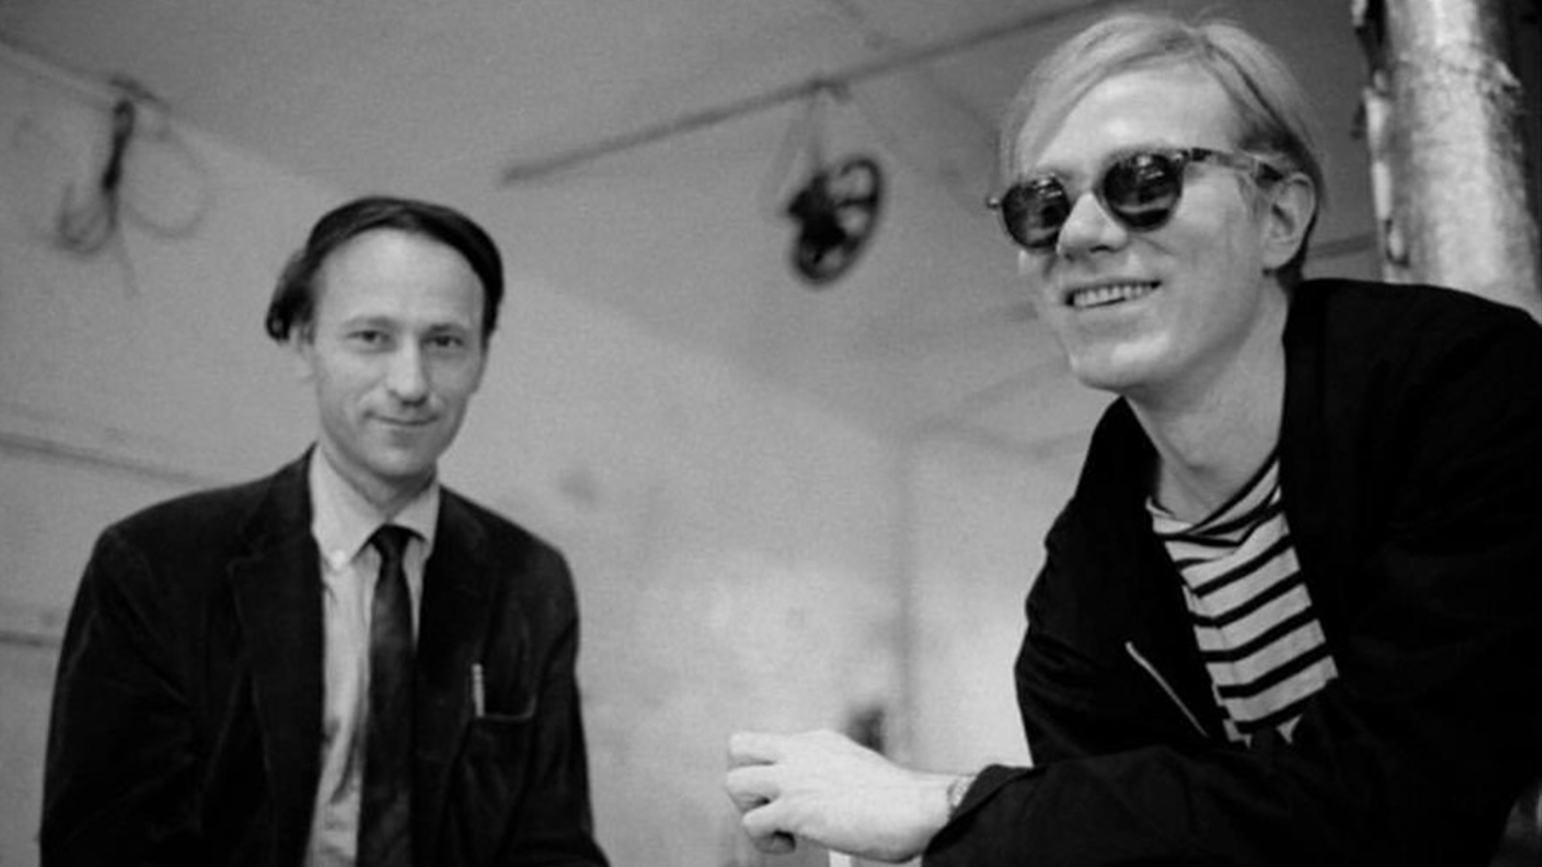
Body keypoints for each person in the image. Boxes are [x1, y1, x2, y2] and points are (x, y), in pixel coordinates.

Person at [726, 12, 1541, 866]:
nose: (1078, 233)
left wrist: (952, 805)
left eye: (1143, 179)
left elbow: (1409, 803)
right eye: (1041, 204)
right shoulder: (1077, 613)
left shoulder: (1472, 394)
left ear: (1280, 217)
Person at [41, 196, 609, 867]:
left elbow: (551, 846)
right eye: (371, 337)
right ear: (303, 341)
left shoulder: (530, 581)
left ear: (483, 356)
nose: (410, 382)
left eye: (445, 341)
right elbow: (104, 846)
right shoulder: (156, 565)